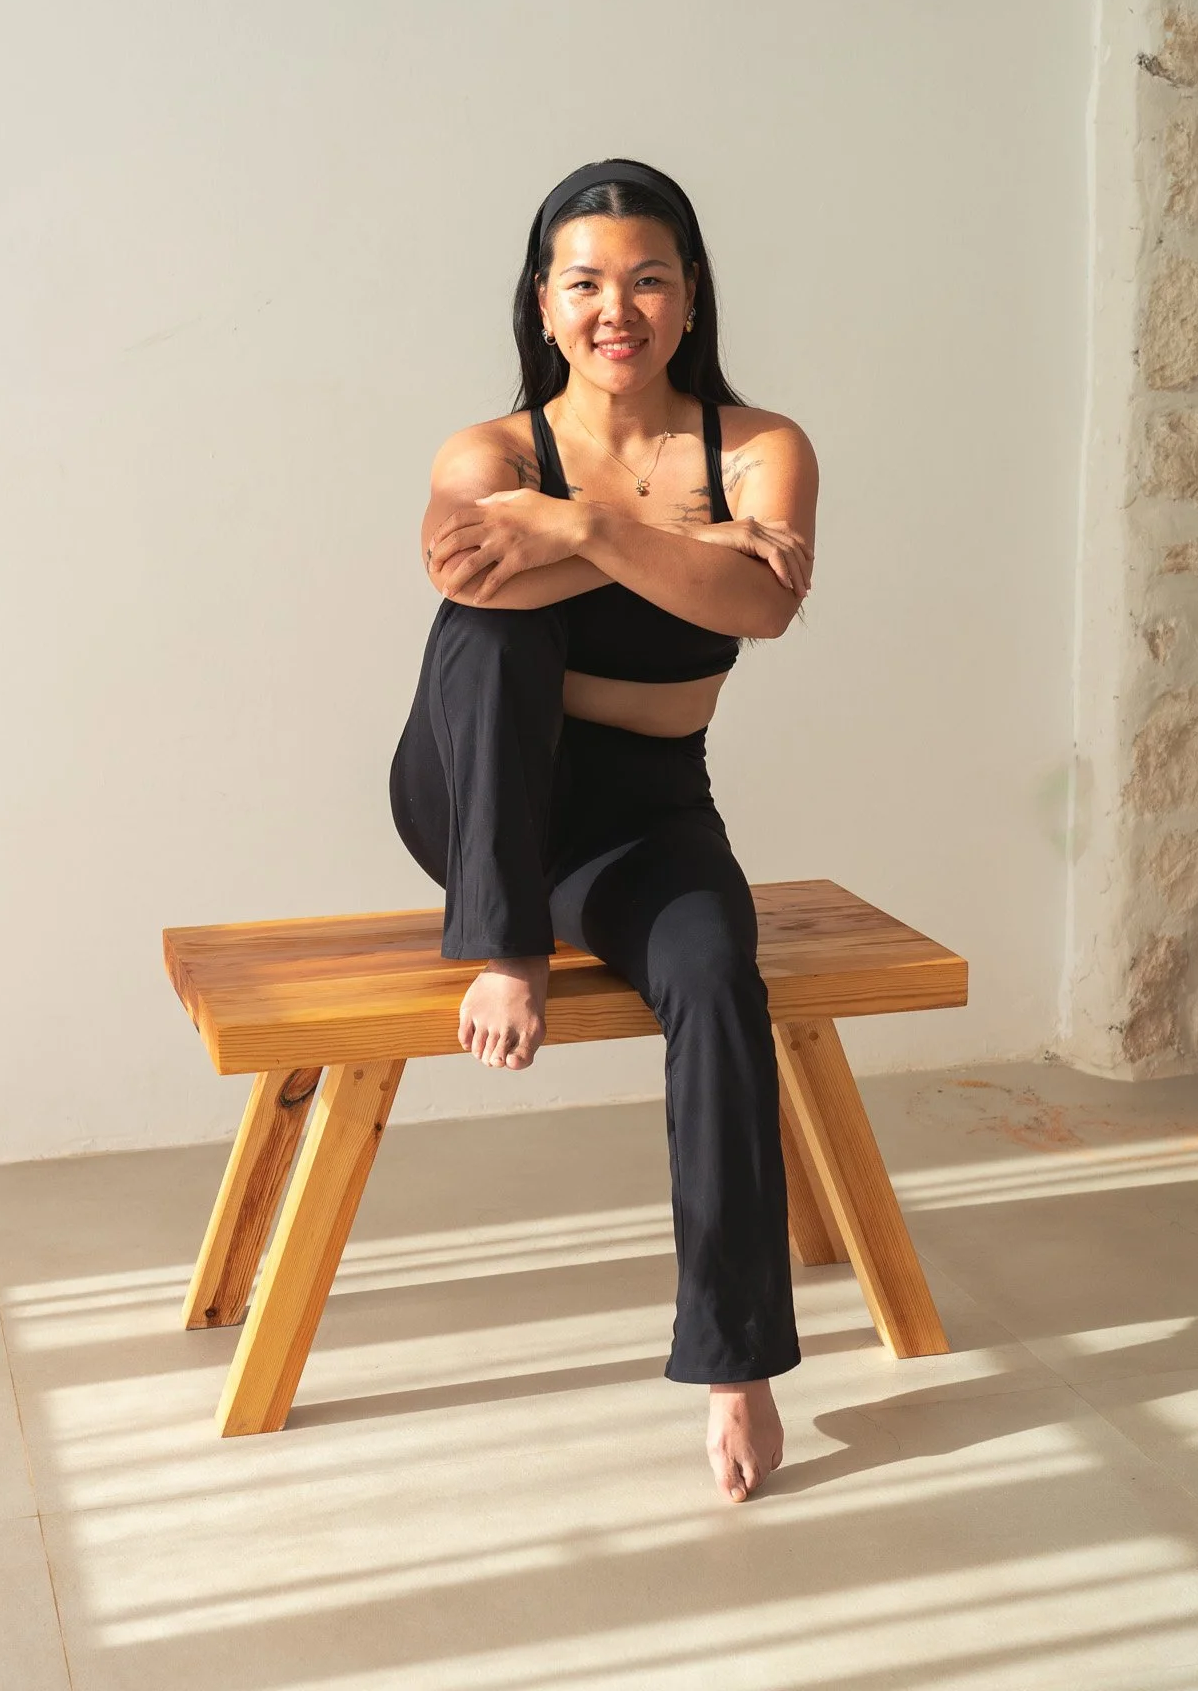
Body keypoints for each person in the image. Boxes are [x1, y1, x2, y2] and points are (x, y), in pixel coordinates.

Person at [388, 157, 819, 1503]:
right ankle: (500, 939)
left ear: (690, 299)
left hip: (646, 809)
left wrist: (575, 525)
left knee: (714, 980)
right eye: (585, 282)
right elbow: (466, 565)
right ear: (544, 301)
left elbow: (763, 610)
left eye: (647, 279)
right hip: (476, 792)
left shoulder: (759, 446)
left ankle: (733, 1364)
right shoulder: (493, 449)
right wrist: (688, 549)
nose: (615, 308)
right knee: (492, 627)